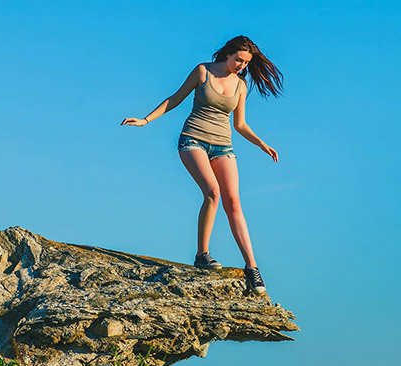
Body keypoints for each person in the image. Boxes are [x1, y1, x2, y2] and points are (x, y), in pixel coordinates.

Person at [121, 36, 283, 295]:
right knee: (212, 192)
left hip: (223, 146)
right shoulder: (203, 71)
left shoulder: (240, 86)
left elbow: (239, 124)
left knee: (233, 202)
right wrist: (146, 120)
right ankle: (202, 255)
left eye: (245, 63)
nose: (241, 65)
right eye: (238, 60)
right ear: (228, 54)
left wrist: (262, 144)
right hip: (193, 140)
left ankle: (252, 268)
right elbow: (174, 99)